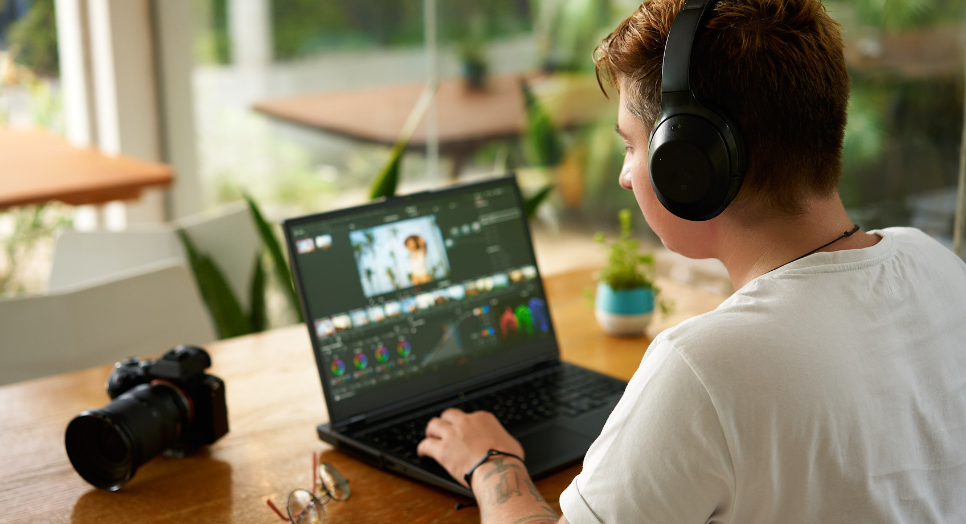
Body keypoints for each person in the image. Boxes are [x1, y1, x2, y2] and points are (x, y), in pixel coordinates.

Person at [416, 0, 966, 523]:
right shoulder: (936, 265)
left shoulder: (705, 367)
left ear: (690, 161)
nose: (625, 176)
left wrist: (493, 464)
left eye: (632, 145)